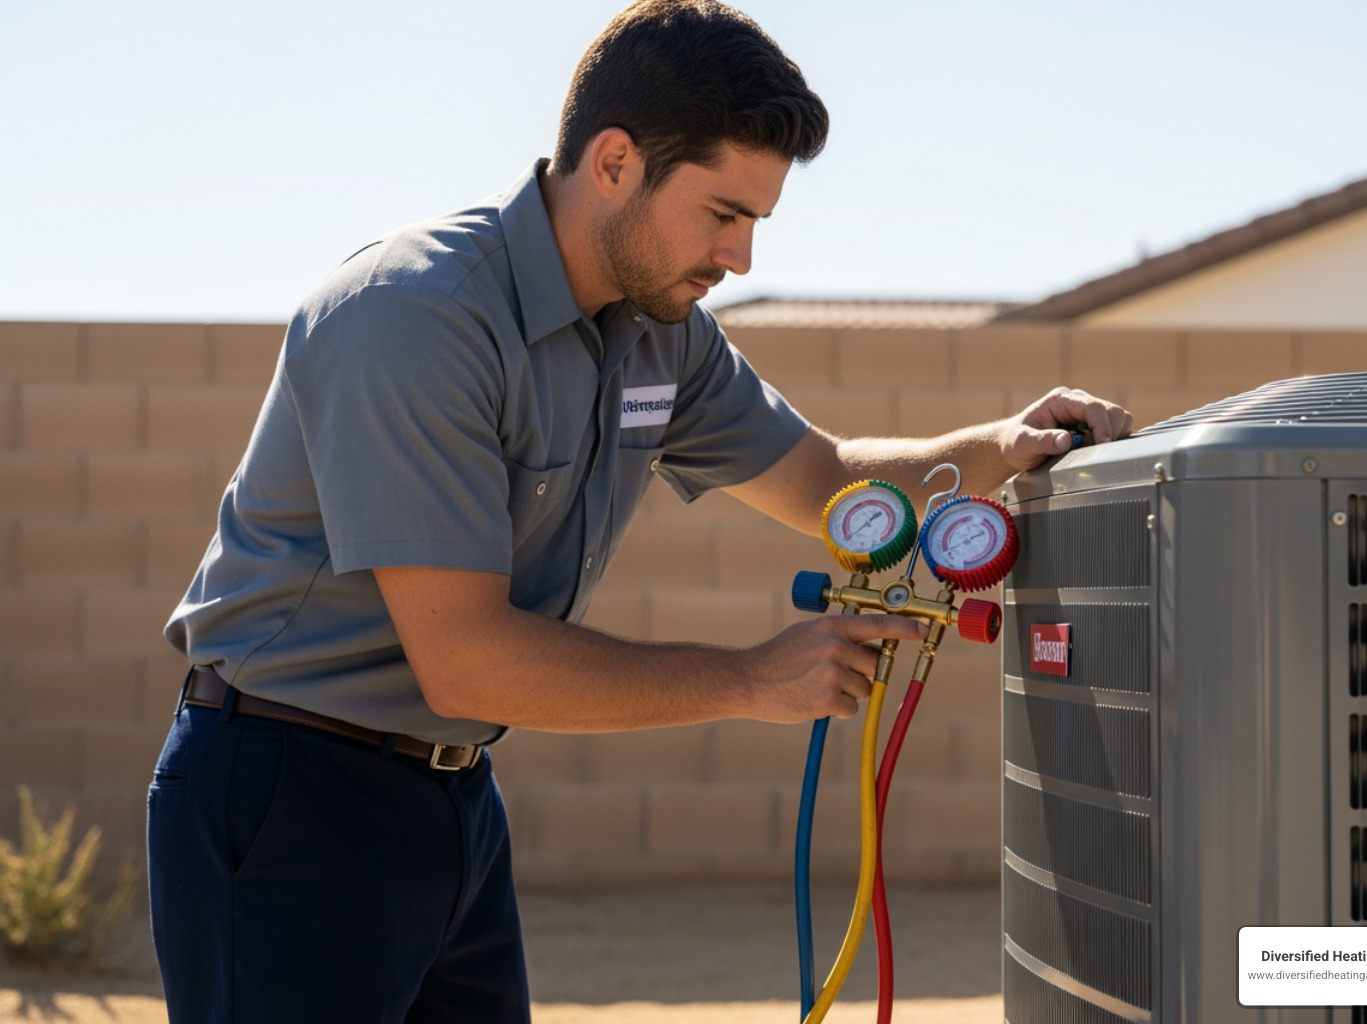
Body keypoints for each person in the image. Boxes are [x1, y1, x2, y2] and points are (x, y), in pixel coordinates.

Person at [148, 1, 1134, 1020]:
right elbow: (466, 657)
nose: (742, 257)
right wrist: (752, 677)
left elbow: (824, 477)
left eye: (756, 221)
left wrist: (999, 445)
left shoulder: (662, 330)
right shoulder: (414, 316)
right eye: (721, 213)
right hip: (286, 791)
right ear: (613, 162)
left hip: (452, 792)